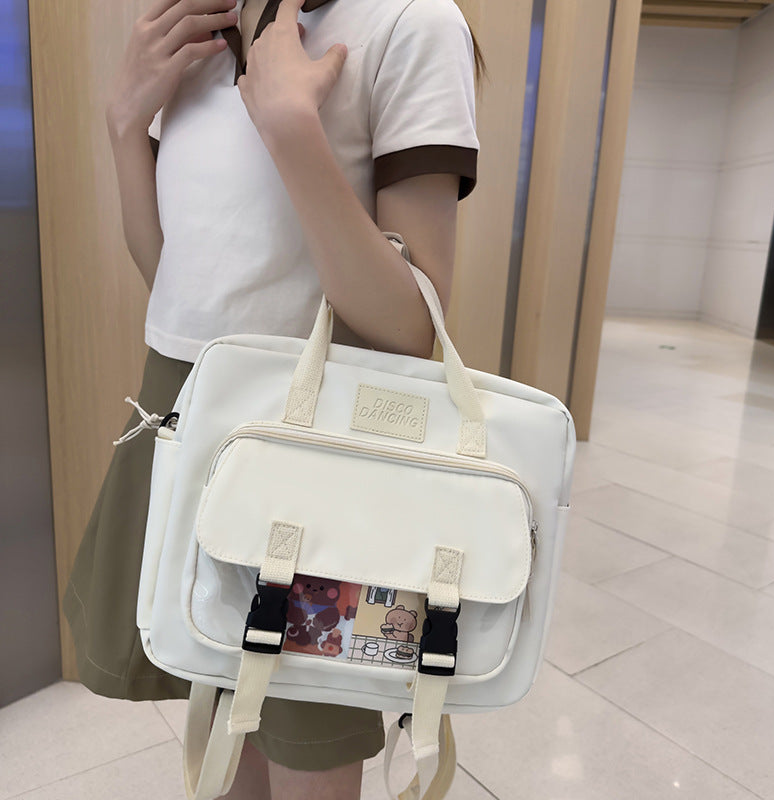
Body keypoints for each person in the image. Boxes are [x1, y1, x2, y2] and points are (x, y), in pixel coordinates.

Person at [63, 0, 483, 797]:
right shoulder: (202, 21)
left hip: (314, 451)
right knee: (222, 729)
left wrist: (292, 129)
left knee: (305, 745)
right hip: (187, 414)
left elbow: (410, 328)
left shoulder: (412, 21)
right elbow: (179, 278)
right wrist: (124, 125)